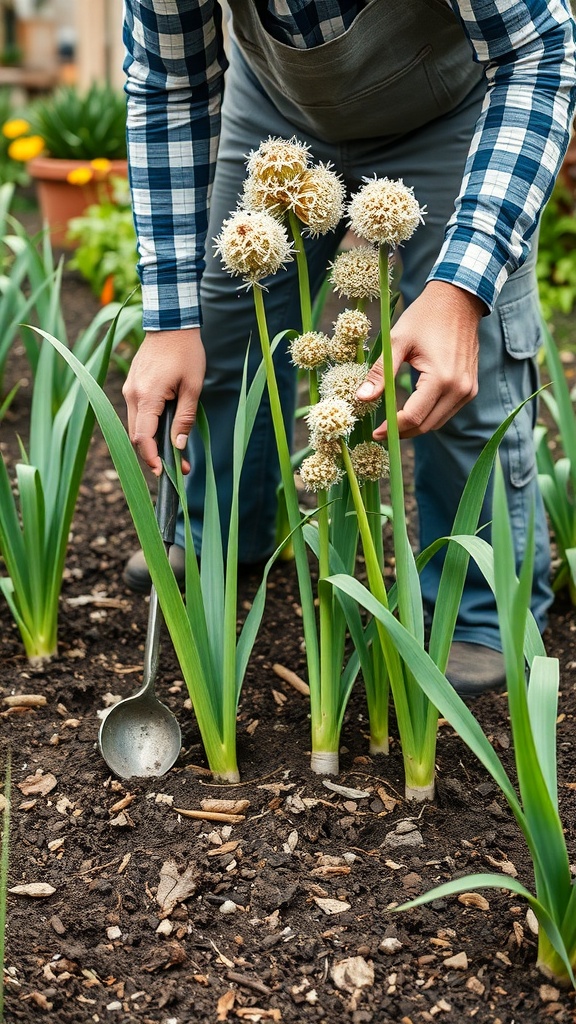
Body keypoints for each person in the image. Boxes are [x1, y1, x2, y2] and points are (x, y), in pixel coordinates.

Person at [121, 0, 576, 696]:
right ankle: (219, 538)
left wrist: (464, 284)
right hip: (273, 105)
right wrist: (168, 317)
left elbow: (538, 51)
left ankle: (478, 612)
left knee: (466, 365)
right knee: (218, 325)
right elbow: (169, 84)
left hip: (456, 106)